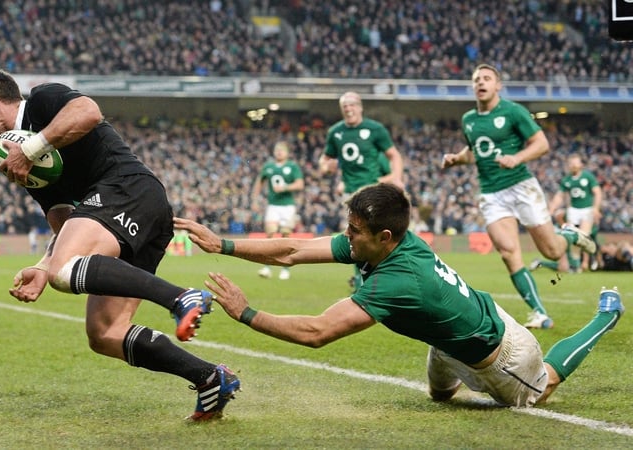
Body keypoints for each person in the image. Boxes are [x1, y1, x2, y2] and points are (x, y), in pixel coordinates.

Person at [174, 183, 624, 408]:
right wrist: (224, 244)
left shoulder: (398, 281)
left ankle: (606, 315)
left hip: (504, 354)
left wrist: (246, 312)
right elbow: (293, 249)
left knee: (544, 383)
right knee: (440, 399)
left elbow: (317, 332)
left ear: (384, 236)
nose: (346, 238)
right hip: (454, 339)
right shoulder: (385, 243)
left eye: (354, 231)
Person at [0, 68, 239, 421]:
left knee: (66, 269)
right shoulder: (10, 156)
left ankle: (181, 297)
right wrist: (45, 267)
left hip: (129, 189)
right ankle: (211, 379)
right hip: (126, 211)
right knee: (105, 333)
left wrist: (30, 149)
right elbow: (61, 216)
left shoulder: (43, 101)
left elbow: (88, 111)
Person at [441, 63, 597, 330]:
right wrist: (457, 159)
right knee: (507, 252)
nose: (481, 83)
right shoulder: (469, 119)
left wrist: (517, 158)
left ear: (498, 85)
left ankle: (569, 235)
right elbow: (475, 151)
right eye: (477, 79)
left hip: (521, 186)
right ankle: (539, 312)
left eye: (487, 78)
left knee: (551, 249)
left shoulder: (513, 111)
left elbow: (541, 144)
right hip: (491, 194)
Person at [318, 91, 404, 291]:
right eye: (344, 106)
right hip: (350, 195)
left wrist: (397, 179)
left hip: (373, 193)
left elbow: (394, 156)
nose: (348, 108)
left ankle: (378, 276)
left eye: (352, 104)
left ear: (360, 107)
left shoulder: (375, 129)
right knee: (357, 239)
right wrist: (325, 167)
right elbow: (325, 159)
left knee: (376, 237)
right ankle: (362, 280)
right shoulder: (335, 132)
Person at [251, 140, 305, 280]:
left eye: (282, 150)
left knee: (285, 235)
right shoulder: (268, 166)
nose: (279, 152)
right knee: (270, 234)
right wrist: (255, 199)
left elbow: (300, 184)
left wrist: (285, 187)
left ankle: (285, 268)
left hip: (287, 205)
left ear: (287, 153)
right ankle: (267, 267)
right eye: (277, 149)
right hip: (273, 205)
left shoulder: (292, 166)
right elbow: (259, 182)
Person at [547, 154, 602, 271]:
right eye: (571, 163)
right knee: (572, 235)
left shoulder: (588, 177)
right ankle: (576, 263)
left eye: (575, 163)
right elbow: (559, 196)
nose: (573, 165)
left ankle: (585, 263)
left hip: (586, 209)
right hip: (573, 210)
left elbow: (597, 192)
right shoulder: (566, 180)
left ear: (581, 164)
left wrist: (596, 208)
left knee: (584, 235)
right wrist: (551, 209)